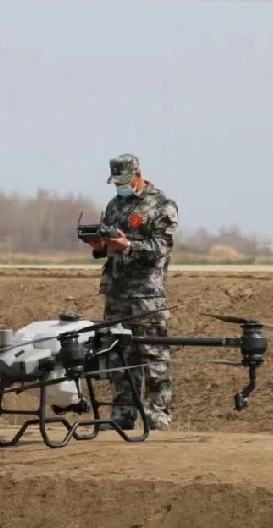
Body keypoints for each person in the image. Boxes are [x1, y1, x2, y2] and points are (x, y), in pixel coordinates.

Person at [86, 153, 178, 431]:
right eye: (115, 181)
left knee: (153, 355)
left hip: (146, 296)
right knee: (118, 354)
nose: (119, 186)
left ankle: (157, 415)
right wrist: (99, 246)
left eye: (123, 180)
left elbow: (161, 248)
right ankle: (123, 413)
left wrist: (128, 246)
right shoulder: (114, 205)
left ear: (137, 174)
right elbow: (108, 245)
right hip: (116, 292)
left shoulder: (161, 205)